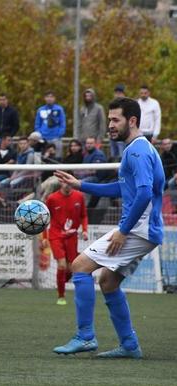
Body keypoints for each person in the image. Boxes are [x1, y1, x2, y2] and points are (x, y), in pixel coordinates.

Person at [53, 97, 164, 359]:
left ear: (132, 121)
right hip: (144, 230)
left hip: (138, 229)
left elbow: (145, 193)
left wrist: (123, 230)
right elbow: (121, 189)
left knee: (79, 266)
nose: (110, 125)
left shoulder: (137, 151)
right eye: (110, 120)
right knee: (108, 281)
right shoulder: (138, 149)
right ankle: (129, 345)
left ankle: (85, 336)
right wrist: (81, 185)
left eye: (115, 120)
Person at [45, 180, 88, 305]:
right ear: (60, 183)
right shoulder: (52, 198)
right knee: (62, 265)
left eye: (69, 182)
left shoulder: (79, 196)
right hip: (56, 235)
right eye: (64, 183)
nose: (67, 185)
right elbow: (45, 218)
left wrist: (85, 230)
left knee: (71, 268)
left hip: (72, 236)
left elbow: (84, 215)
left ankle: (60, 283)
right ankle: (61, 296)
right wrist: (43, 236)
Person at [34, 91, 66, 156]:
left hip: (56, 138)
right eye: (47, 97)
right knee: (44, 158)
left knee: (57, 157)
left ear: (54, 98)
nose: (49, 98)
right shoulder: (40, 110)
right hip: (43, 138)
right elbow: (37, 124)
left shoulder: (59, 109)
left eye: (51, 97)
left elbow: (62, 123)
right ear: (44, 98)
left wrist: (59, 134)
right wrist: (40, 135)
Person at [109, 84, 127, 159]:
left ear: (123, 94)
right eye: (116, 93)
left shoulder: (126, 105)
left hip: (121, 132)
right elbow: (110, 119)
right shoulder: (112, 105)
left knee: (121, 154)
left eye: (119, 93)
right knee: (113, 154)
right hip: (112, 132)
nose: (117, 95)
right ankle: (114, 170)